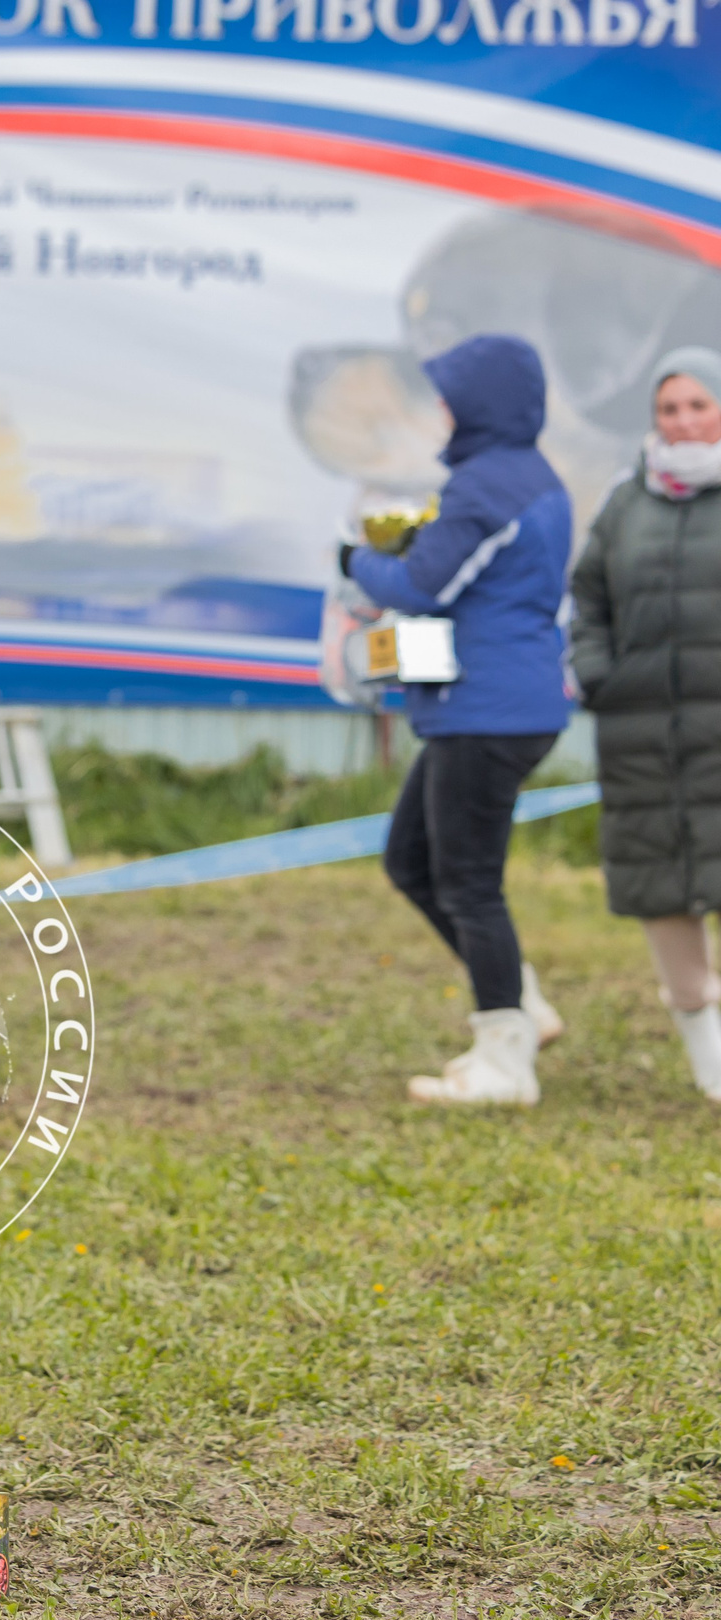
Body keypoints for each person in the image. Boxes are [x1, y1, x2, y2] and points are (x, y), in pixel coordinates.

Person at [342, 333, 572, 1106]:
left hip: (487, 709)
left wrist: (356, 560)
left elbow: (422, 585)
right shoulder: (530, 475)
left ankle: (505, 1060)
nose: (440, 410)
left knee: (469, 882)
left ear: (483, 402)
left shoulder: (486, 487)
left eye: (450, 396)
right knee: (411, 860)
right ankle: (522, 1002)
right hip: (496, 705)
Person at [569, 346, 721, 1100]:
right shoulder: (626, 504)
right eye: (669, 408)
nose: (683, 421)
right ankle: (710, 1062)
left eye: (698, 404)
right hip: (641, 735)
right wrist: (600, 674)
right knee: (661, 886)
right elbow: (589, 597)